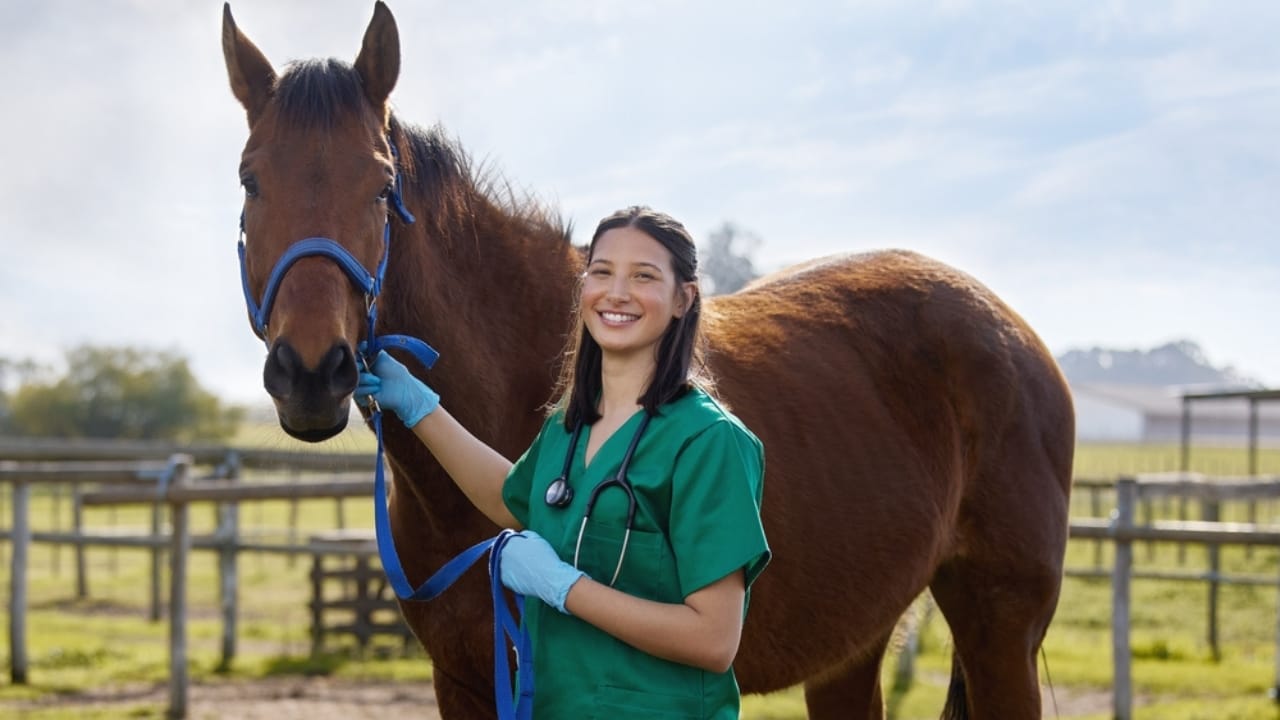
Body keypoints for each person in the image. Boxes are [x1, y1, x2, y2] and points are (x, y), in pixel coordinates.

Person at [357, 205, 770, 718]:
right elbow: (512, 500)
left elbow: (713, 640)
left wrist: (564, 588)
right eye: (601, 272)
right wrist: (419, 406)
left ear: (683, 298)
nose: (616, 293)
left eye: (643, 276)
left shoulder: (711, 443)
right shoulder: (568, 427)